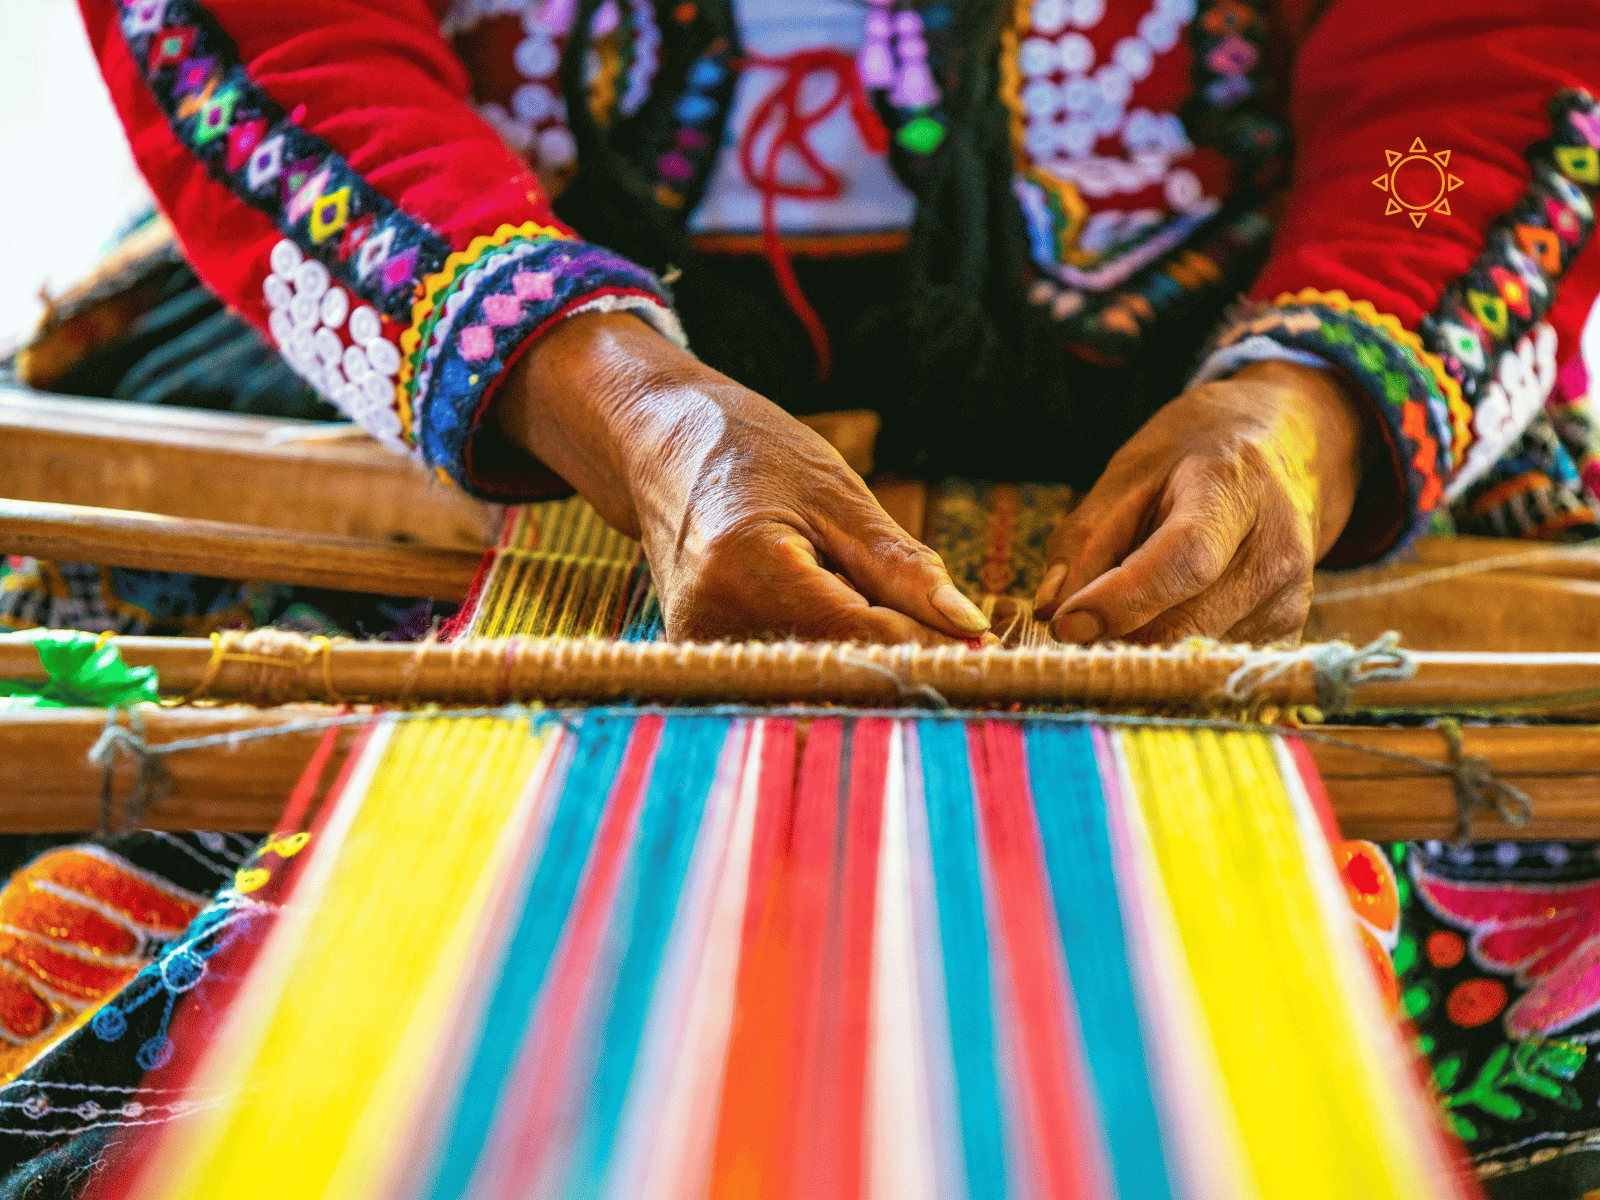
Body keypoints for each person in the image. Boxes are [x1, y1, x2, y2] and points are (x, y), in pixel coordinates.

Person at [69, 0, 1600, 651]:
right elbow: (288, 39)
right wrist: (622, 404)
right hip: (443, 352)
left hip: (1244, 368)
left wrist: (1312, 402)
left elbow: (1474, 73)